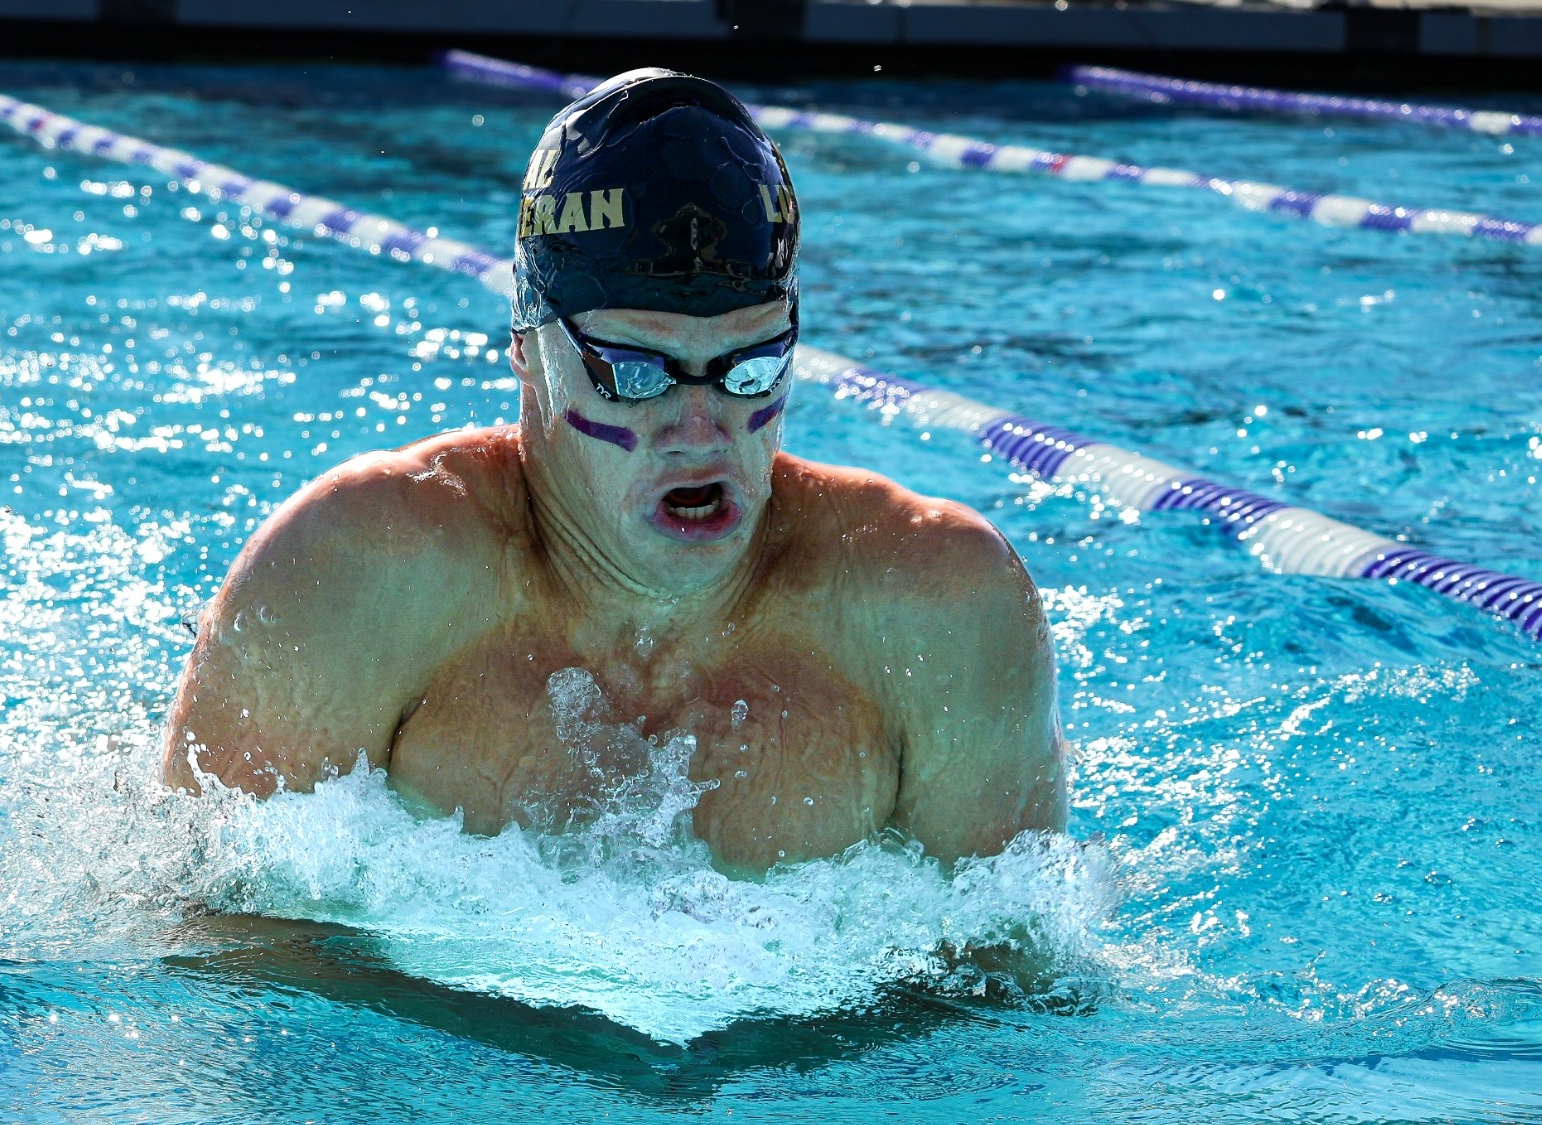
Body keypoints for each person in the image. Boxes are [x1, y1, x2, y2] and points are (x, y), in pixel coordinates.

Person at [162, 68, 1066, 875]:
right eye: (636, 373)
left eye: (752, 368)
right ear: (526, 348)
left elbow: (1007, 992)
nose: (701, 426)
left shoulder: (937, 610)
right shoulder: (357, 572)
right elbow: (222, 950)